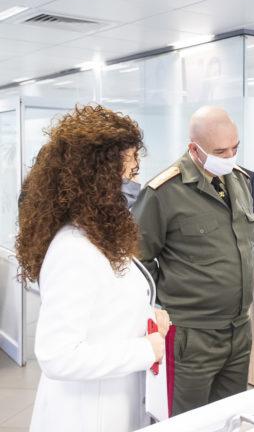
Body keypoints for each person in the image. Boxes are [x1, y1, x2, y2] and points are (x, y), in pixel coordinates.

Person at [15, 105, 170, 432]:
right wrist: (144, 350)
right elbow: (58, 356)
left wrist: (149, 319)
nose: (134, 184)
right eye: (127, 175)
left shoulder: (100, 237)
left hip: (115, 404)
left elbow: (105, 311)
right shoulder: (73, 250)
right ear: (95, 182)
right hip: (85, 416)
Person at [132, 106, 254, 415]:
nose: (229, 156)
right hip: (191, 337)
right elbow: (137, 262)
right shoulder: (163, 191)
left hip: (239, 330)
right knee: (188, 421)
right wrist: (164, 305)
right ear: (193, 148)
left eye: (234, 148)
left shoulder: (240, 180)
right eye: (219, 151)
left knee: (229, 417)